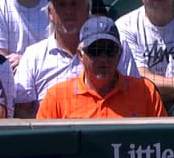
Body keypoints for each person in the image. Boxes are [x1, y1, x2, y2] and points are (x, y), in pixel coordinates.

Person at [13, 0, 139, 117]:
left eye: (74, 3)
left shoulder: (115, 47)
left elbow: (135, 92)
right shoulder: (33, 55)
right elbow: (22, 112)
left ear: (88, 8)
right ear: (50, 13)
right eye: (61, 4)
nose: (69, 11)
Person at [37, 16, 167, 118]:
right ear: (80, 55)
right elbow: (43, 146)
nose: (103, 59)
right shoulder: (56, 97)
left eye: (110, 50)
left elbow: (164, 141)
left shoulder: (145, 92)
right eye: (95, 51)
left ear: (120, 54)